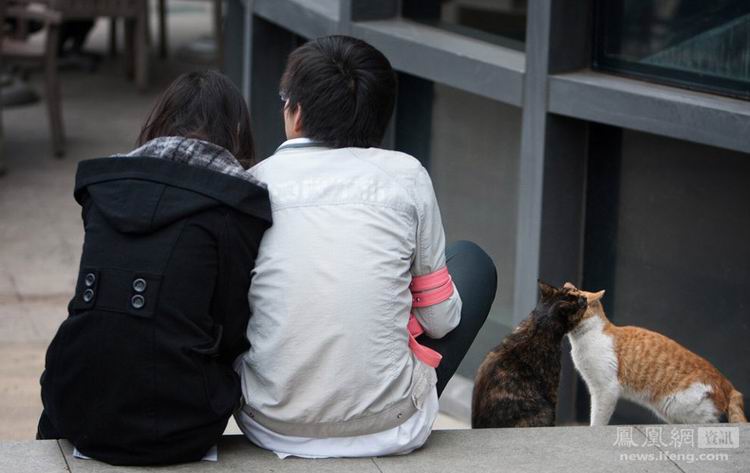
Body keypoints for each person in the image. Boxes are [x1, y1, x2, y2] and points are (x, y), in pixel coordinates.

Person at [234, 35, 497, 458]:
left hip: (269, 425)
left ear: (295, 112)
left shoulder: (253, 184)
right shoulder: (406, 175)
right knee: (472, 263)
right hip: (392, 426)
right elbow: (440, 321)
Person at [37, 71, 272, 465]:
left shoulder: (107, 188)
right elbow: (233, 330)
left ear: (158, 121)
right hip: (180, 423)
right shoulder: (236, 206)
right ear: (236, 132)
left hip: (71, 401)